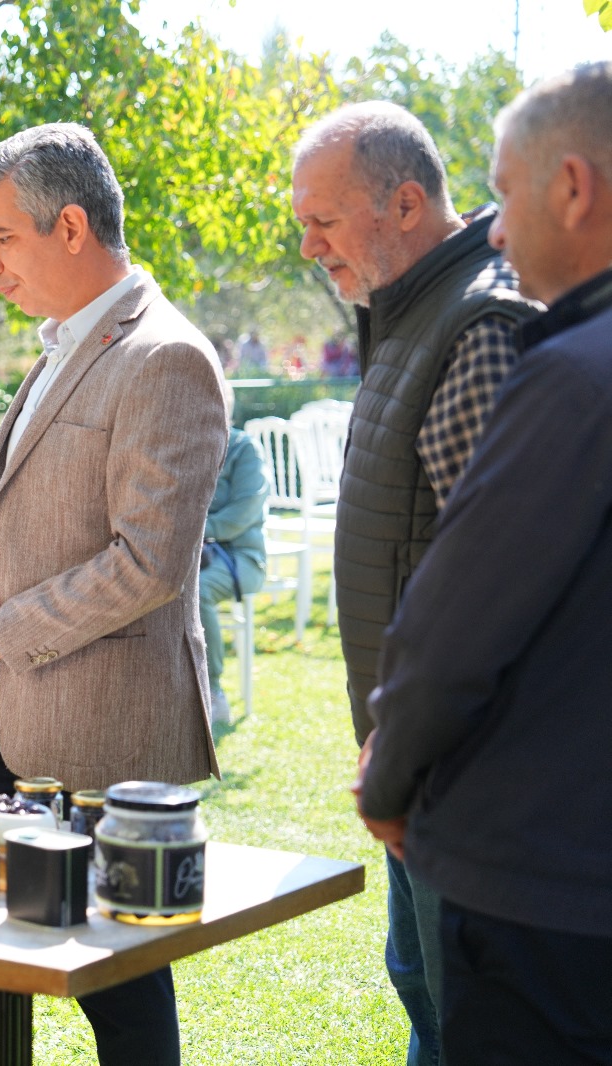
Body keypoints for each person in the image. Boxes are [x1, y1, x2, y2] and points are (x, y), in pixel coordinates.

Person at [0, 123, 225, 1065]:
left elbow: (149, 565)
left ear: (69, 227)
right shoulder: (62, 345)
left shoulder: (165, 357)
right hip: (6, 718)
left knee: (124, 1005)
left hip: (104, 740)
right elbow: (8, 522)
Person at [354, 61, 612, 1062]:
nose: (496, 230)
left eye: (503, 194)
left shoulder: (570, 376)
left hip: (548, 893)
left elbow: (453, 626)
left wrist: (389, 779)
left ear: (574, 188)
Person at [291, 101, 538, 1066]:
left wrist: (418, 749)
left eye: (323, 220)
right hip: (415, 766)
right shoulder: (408, 312)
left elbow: (504, 586)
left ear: (403, 202)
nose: (309, 246)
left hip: (469, 781)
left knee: (464, 1021)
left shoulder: (478, 324)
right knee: (422, 992)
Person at [200, 382, 267, 726]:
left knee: (196, 592)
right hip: (190, 557)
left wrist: (194, 533)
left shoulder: (244, 448)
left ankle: (212, 692)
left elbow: (244, 512)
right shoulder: (186, 447)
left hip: (240, 557)